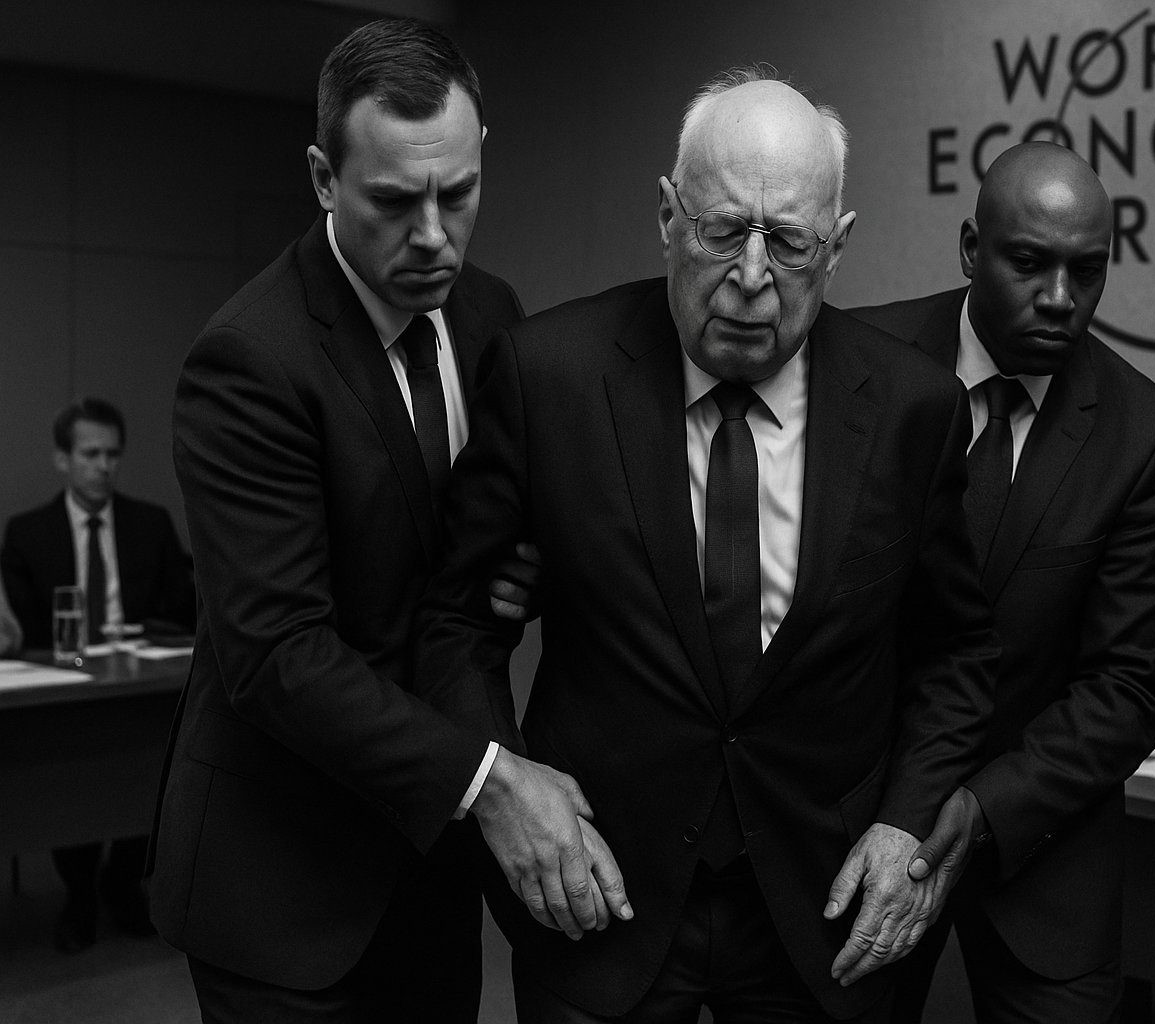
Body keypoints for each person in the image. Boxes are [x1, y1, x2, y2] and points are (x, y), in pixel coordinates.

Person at [413, 67, 998, 1022]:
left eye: (791, 243)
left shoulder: (912, 409)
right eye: (723, 232)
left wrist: (906, 823)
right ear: (668, 217)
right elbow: (455, 623)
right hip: (597, 893)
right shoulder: (549, 377)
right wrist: (502, 787)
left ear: (838, 246)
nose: (753, 277)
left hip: (821, 906)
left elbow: (956, 653)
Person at [146, 19, 527, 1021]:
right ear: (324, 178)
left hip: (425, 866)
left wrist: (520, 568)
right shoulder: (251, 358)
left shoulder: (493, 316)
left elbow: (470, 545)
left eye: (458, 192)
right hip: (281, 880)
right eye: (394, 202)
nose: (433, 234)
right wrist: (489, 781)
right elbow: (278, 654)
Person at [844, 142, 1155, 1023]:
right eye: (1030, 263)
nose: (1061, 297)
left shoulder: (1147, 435)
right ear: (972, 249)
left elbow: (1130, 685)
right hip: (857, 830)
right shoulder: (857, 361)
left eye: (1088, 271)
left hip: (1046, 853)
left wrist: (982, 806)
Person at [2, 396, 195, 952]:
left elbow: (183, 609)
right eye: (90, 454)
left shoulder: (149, 523)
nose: (104, 466)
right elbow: (23, 633)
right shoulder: (28, 531)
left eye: (113, 454)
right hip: (65, 689)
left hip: (140, 683)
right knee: (70, 770)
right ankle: (80, 893)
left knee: (150, 763)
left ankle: (123, 882)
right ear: (63, 459)